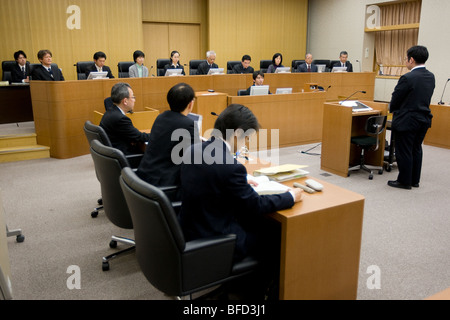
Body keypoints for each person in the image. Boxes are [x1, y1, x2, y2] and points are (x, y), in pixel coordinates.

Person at [179, 104, 303, 299]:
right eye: (247, 138)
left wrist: (241, 181)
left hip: (191, 229)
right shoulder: (231, 166)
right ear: (236, 133)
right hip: (217, 239)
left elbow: (209, 177)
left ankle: (243, 283)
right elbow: (256, 205)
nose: (246, 144)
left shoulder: (193, 149)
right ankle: (260, 294)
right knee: (278, 235)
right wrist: (290, 196)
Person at [136, 83, 197, 199]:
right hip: (164, 187)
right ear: (190, 104)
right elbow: (196, 159)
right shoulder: (188, 124)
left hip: (144, 179)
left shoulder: (161, 117)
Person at [387, 45, 435, 190]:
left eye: (406, 59)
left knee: (404, 150)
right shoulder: (430, 76)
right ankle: (415, 180)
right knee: (416, 149)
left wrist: (393, 109)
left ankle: (404, 181)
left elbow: (396, 99)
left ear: (411, 59)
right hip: (424, 118)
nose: (405, 61)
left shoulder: (407, 77)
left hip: (407, 120)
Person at [99, 82, 149, 155]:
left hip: (113, 154)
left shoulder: (109, 111)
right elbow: (140, 137)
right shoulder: (121, 119)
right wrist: (157, 133)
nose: (134, 100)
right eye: (133, 97)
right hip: (124, 157)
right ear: (125, 101)